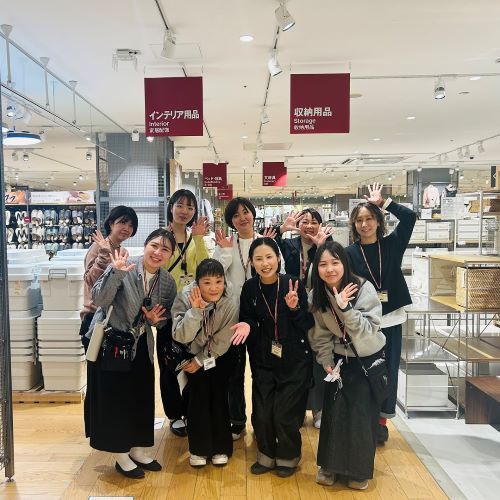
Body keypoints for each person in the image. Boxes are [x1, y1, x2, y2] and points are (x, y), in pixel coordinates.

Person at [84, 229, 177, 479]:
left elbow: (165, 316)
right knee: (116, 399)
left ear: (170, 255)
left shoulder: (167, 281)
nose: (158, 253)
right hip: (113, 343)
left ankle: (137, 449)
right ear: (145, 245)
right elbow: (99, 300)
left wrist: (156, 321)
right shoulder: (124, 264)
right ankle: (121, 455)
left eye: (165, 249)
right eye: (154, 245)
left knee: (141, 396)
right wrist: (115, 272)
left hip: (141, 343)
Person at [308, 240, 386, 490]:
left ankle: (358, 471)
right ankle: (329, 466)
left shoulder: (363, 288)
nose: (329, 269)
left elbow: (368, 329)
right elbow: (320, 333)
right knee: (334, 414)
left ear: (344, 263)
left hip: (367, 359)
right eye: (323, 264)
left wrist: (346, 307)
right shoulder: (317, 295)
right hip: (341, 360)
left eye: (335, 262)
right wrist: (326, 360)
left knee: (361, 415)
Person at [345, 183, 416, 444]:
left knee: (389, 370)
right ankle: (363, 418)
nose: (364, 224)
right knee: (364, 370)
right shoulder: (349, 253)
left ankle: (382, 421)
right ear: (354, 225)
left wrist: (384, 202)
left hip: (392, 318)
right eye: (359, 220)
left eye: (369, 219)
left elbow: (410, 217)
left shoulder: (392, 244)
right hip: (364, 322)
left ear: (378, 221)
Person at [239, 237, 314, 478]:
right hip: (263, 360)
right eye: (258, 259)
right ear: (251, 262)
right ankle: (266, 453)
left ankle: (288, 455)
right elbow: (247, 317)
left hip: (294, 360)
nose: (265, 263)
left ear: (278, 259)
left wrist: (294, 308)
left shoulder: (293, 284)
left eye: (269, 257)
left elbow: (306, 323)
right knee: (262, 413)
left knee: (284, 413)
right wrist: (247, 325)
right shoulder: (250, 288)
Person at [171, 259, 250, 467]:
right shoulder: (185, 296)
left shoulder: (230, 300)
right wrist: (195, 312)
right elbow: (180, 335)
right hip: (191, 354)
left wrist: (201, 360)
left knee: (219, 398)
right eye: (207, 282)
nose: (214, 288)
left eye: (218, 281)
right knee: (197, 399)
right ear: (197, 283)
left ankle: (221, 447)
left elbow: (224, 337)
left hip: (220, 356)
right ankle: (198, 449)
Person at [212, 197, 276, 440]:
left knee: (262, 373)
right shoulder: (227, 244)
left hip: (262, 319)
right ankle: (237, 420)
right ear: (231, 221)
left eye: (246, 212)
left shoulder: (266, 242)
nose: (242, 218)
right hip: (233, 319)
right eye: (236, 215)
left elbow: (277, 273)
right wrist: (225, 252)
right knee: (234, 373)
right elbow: (214, 276)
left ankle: (263, 421)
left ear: (253, 214)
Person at [272, 208, 333, 429]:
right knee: (295, 358)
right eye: (304, 222)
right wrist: (281, 228)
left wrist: (321, 246)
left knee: (318, 357)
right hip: (292, 307)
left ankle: (318, 409)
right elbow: (267, 243)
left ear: (320, 225)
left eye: (314, 222)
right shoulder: (289, 244)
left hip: (318, 308)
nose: (309, 226)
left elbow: (331, 269)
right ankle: (295, 409)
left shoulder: (326, 245)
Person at [157, 188, 209, 438]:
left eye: (190, 207)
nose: (184, 211)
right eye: (180, 205)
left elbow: (205, 268)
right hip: (167, 312)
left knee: (192, 361)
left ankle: (190, 409)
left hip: (192, 310)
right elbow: (158, 268)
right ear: (171, 207)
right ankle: (174, 414)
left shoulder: (194, 237)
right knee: (169, 365)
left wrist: (198, 239)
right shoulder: (161, 238)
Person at [80, 206, 138, 350]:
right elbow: (91, 281)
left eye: (131, 225)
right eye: (122, 222)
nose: (126, 228)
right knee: (95, 361)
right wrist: (104, 254)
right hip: (94, 316)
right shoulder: (97, 247)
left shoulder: (123, 251)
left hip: (114, 318)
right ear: (111, 223)